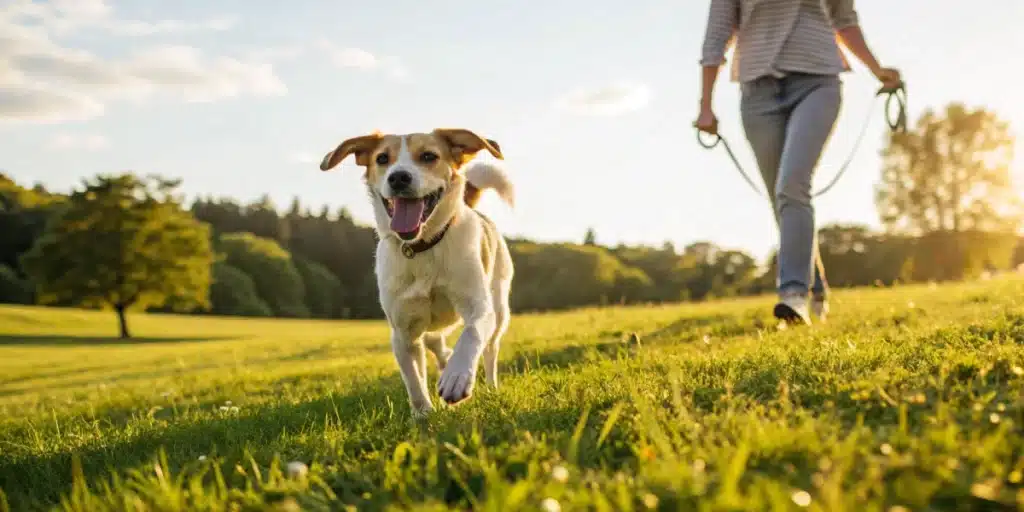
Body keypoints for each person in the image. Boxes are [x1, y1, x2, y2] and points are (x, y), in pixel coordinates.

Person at [695, 0, 901, 325]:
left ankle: (793, 294)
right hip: (757, 92)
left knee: (792, 184)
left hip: (818, 81)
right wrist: (705, 105)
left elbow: (844, 20)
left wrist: (877, 70)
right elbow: (717, 33)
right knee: (782, 198)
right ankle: (815, 288)